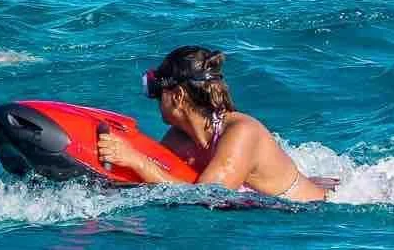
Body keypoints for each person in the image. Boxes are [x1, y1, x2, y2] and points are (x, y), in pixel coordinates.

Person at [96, 45, 329, 203]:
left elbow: (208, 197)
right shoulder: (179, 137)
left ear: (177, 96)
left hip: (308, 213)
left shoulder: (242, 133)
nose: (156, 100)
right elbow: (156, 181)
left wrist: (136, 161)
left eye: (158, 93)